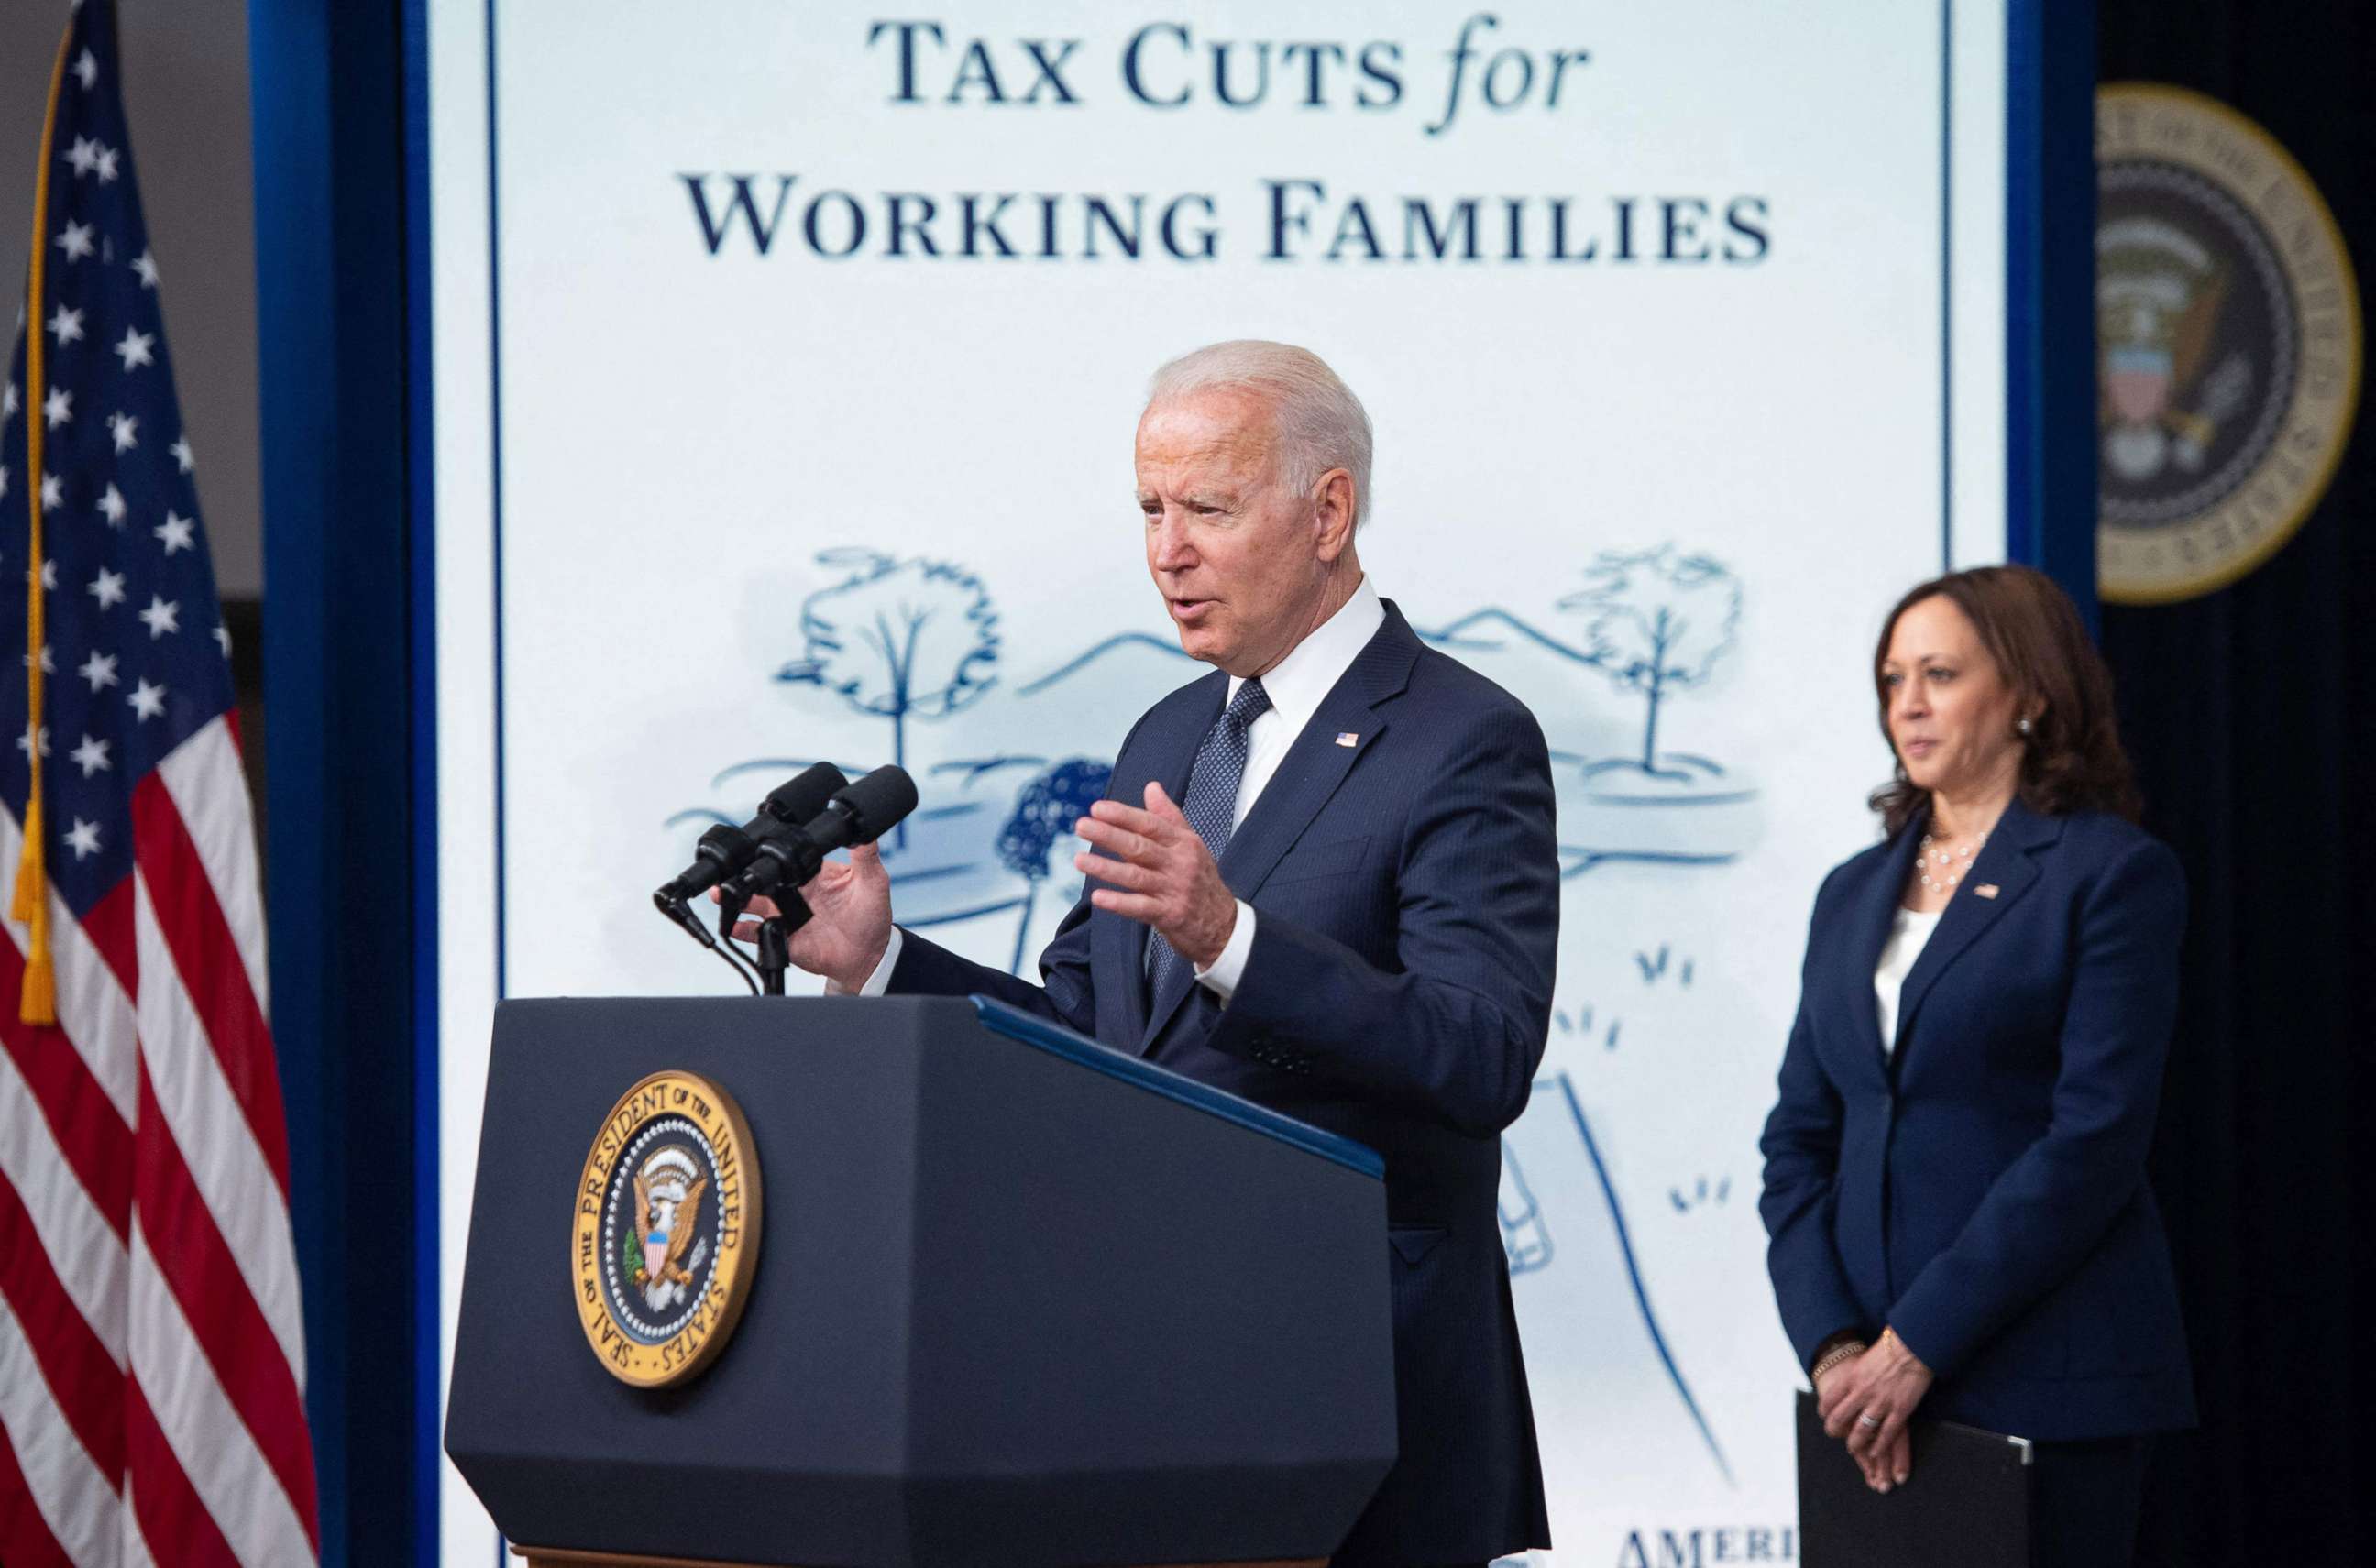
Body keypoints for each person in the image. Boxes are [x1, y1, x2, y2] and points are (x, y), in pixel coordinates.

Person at [738, 341, 1557, 1566]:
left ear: (1328, 511)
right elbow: (1085, 1039)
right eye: (1150, 509)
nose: (1166, 550)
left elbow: (1480, 1052)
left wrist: (1233, 939)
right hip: (1150, 1400)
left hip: (1364, 1413)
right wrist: (881, 957)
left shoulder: (1462, 737)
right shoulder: (1169, 733)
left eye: (1208, 509)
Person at [1758, 565, 2194, 1568]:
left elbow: (2093, 1142)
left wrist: (1917, 1346)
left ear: (2031, 694)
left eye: (1940, 673)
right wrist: (1835, 1351)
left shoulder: (2110, 875)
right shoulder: (1851, 890)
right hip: (1866, 1397)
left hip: (2044, 1376)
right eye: (1892, 678)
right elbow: (1798, 1143)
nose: (1907, 702)